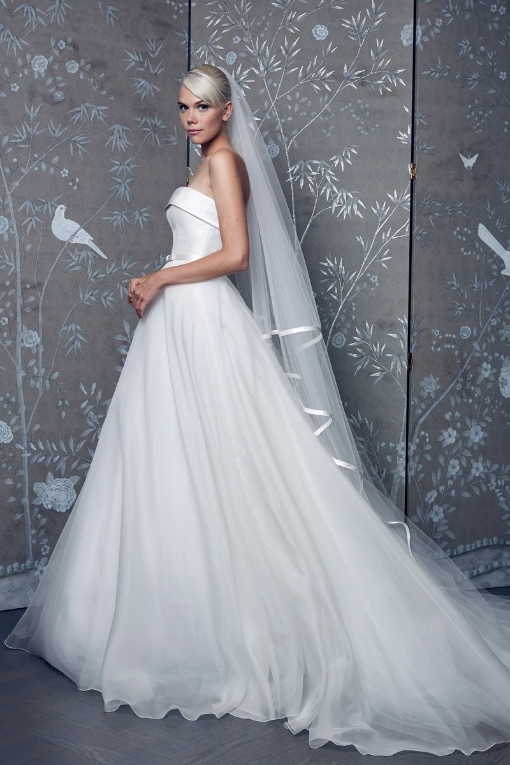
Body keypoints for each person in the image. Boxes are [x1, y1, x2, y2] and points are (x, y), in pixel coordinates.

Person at [5, 65, 510, 757]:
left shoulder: (225, 162)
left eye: (202, 106)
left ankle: (222, 631)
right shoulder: (204, 162)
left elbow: (236, 255)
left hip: (205, 324)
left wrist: (163, 275)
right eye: (183, 106)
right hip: (175, 325)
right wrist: (156, 278)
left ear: (226, 111)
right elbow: (200, 247)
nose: (190, 117)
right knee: (164, 460)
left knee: (225, 463)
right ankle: (153, 613)